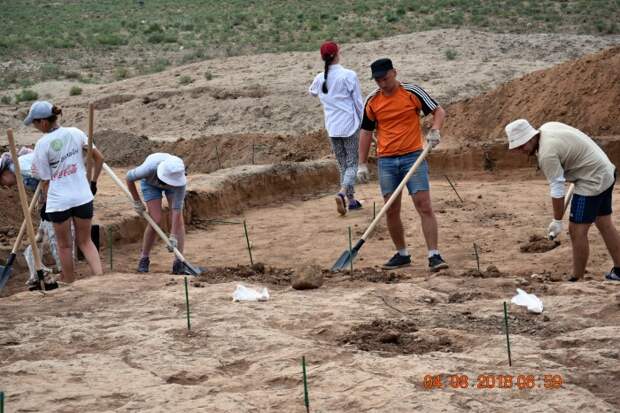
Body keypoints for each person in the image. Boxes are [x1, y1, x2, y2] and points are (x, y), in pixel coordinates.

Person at [357, 58, 448, 271]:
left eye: (385, 78)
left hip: (413, 157)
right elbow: (366, 132)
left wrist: (435, 130)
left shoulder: (412, 92)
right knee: (391, 209)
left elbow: (439, 112)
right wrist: (361, 163)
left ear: (394, 73)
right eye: (377, 80)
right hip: (386, 161)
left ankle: (434, 255)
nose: (382, 83)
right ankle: (402, 254)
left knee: (423, 204)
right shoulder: (372, 101)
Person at [506, 119, 620, 282]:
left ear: (531, 138)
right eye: (516, 148)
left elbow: (557, 187)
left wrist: (557, 220)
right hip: (605, 170)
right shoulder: (547, 128)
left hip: (592, 180)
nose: (520, 150)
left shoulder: (547, 154)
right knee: (604, 223)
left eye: (521, 145)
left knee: (576, 230)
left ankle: (577, 278)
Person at [28, 101, 104, 283]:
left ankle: (70, 284)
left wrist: (46, 204)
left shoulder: (42, 144)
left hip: (59, 202)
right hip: (82, 196)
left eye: (35, 123)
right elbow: (99, 158)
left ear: (43, 122)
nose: (35, 127)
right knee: (86, 242)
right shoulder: (76, 133)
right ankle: (101, 280)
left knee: (64, 246)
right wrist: (93, 182)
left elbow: (45, 181)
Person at [309, 41, 364, 215]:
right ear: (338, 53)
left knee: (343, 164)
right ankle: (342, 193)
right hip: (349, 125)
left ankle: (351, 200)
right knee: (352, 163)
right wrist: (365, 123)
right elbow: (357, 102)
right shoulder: (348, 75)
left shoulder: (319, 78)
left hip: (332, 127)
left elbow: (311, 91)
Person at [0, 148, 65, 290]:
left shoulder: (19, 166)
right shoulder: (19, 170)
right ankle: (37, 276)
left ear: (4, 171)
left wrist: (48, 200)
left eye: (1, 180)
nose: (4, 185)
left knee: (55, 239)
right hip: (50, 202)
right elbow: (41, 181)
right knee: (37, 243)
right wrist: (40, 200)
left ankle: (64, 273)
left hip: (57, 202)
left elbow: (47, 174)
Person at [125, 153, 187, 274]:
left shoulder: (180, 183)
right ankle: (144, 258)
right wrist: (137, 201)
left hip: (173, 188)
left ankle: (179, 261)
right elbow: (128, 178)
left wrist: (173, 236)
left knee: (179, 221)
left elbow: (176, 209)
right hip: (150, 184)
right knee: (155, 220)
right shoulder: (148, 169)